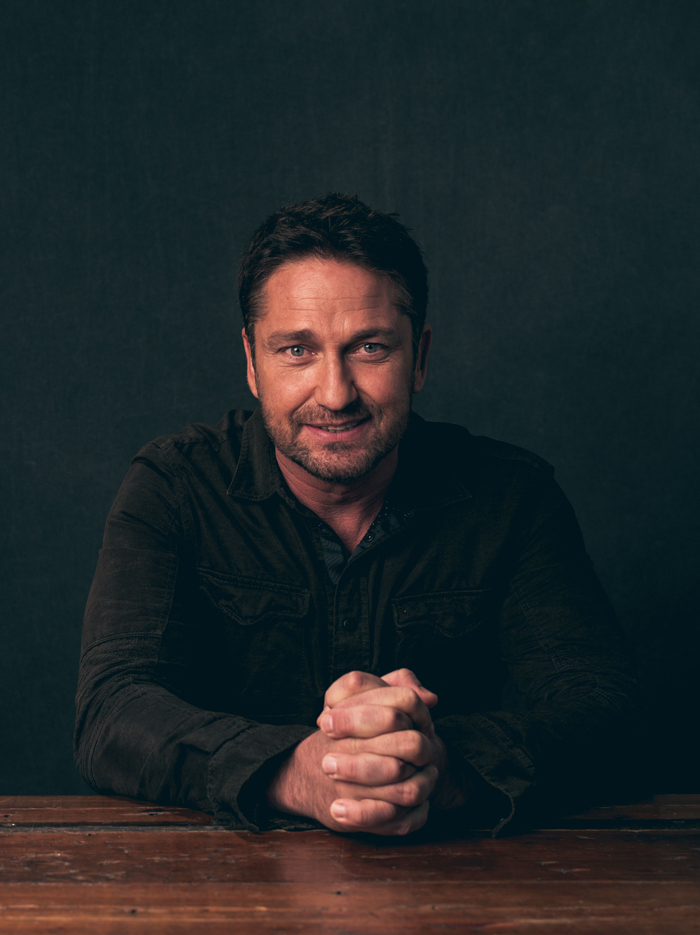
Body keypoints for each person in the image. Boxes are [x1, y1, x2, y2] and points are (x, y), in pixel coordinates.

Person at [75, 193, 643, 837]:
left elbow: (605, 709)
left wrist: (442, 766)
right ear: (253, 363)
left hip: (463, 878)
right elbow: (112, 712)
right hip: (221, 880)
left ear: (419, 357)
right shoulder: (174, 488)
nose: (335, 393)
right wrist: (297, 771)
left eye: (370, 348)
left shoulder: (513, 497)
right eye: (297, 350)